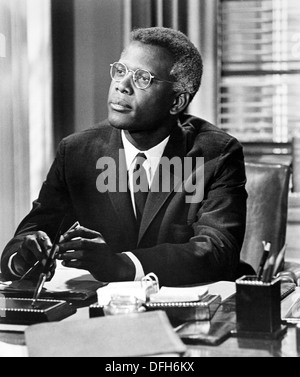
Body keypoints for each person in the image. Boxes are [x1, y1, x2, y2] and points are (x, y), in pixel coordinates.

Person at [0, 27, 247, 287]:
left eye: (142, 78)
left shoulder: (216, 154)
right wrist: (22, 258)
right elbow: (30, 233)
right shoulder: (76, 152)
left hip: (191, 314)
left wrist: (124, 265)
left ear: (177, 102)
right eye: (120, 71)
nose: (122, 86)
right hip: (103, 316)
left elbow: (218, 249)